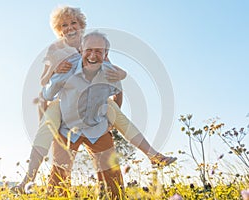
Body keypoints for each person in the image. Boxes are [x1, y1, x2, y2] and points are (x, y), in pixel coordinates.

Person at [11, 6, 176, 195]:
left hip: (95, 117)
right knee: (58, 171)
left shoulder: (94, 47)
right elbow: (44, 84)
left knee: (112, 178)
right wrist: (55, 68)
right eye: (64, 24)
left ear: (81, 26)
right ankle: (28, 180)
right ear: (58, 29)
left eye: (74, 23)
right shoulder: (56, 49)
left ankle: (152, 154)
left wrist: (110, 120)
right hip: (66, 111)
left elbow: (114, 77)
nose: (70, 27)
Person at [46, 31, 124, 198]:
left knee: (112, 177)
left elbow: (118, 92)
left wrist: (111, 121)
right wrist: (53, 73)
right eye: (89, 50)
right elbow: (47, 95)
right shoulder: (66, 69)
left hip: (97, 128)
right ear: (81, 50)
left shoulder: (110, 73)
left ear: (106, 54)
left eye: (99, 51)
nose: (93, 55)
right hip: (67, 129)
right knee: (59, 177)